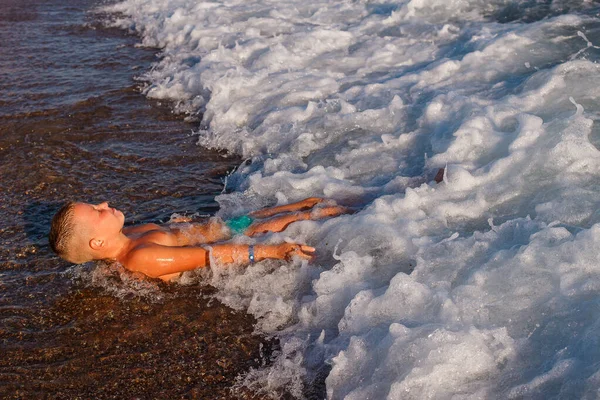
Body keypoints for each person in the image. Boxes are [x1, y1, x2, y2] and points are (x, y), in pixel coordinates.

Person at [48, 197, 349, 281]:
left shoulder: (128, 236)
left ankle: (359, 209)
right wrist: (273, 252)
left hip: (224, 228)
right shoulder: (140, 257)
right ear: (97, 243)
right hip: (227, 243)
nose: (103, 205)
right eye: (97, 211)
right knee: (301, 218)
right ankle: (364, 214)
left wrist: (182, 226)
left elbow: (182, 235)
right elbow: (211, 256)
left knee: (302, 205)